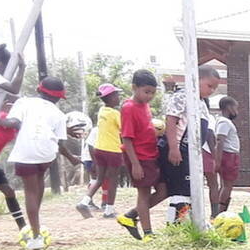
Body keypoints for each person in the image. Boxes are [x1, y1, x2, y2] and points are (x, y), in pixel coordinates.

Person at [3, 77, 83, 250]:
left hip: (27, 152)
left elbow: (13, 123)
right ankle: (36, 224)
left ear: (38, 90)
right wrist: (71, 158)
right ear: (58, 98)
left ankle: (36, 236)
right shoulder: (59, 114)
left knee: (31, 192)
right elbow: (60, 143)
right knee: (38, 186)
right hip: (47, 154)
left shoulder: (24, 103)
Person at [160, 65, 221, 224]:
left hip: (192, 154)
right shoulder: (182, 96)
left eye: (214, 88)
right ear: (196, 79)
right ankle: (176, 226)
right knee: (181, 190)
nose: (212, 90)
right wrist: (174, 148)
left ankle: (187, 224)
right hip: (180, 150)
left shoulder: (201, 102)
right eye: (209, 86)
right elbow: (171, 120)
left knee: (189, 190)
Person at [115, 70, 161, 240]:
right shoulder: (128, 108)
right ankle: (148, 232)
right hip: (139, 157)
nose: (150, 96)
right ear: (134, 87)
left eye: (153, 93)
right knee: (144, 194)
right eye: (146, 92)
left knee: (163, 190)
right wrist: (135, 164)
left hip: (151, 154)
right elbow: (126, 138)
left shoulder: (145, 105)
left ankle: (130, 216)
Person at [80, 84, 124, 219]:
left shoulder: (102, 111)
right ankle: (109, 210)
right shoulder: (115, 114)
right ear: (110, 97)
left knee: (99, 178)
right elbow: (124, 129)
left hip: (99, 149)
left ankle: (84, 202)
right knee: (113, 180)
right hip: (113, 150)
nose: (118, 98)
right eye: (116, 95)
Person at [0, 100, 24, 233]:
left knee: (7, 193)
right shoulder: (4, 117)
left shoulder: (15, 121)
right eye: (10, 104)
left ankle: (23, 227)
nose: (12, 106)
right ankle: (23, 226)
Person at [213, 96, 241, 216]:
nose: (237, 111)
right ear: (229, 107)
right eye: (236, 108)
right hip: (228, 156)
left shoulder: (224, 122)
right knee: (227, 186)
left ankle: (219, 211)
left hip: (229, 155)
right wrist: (218, 161)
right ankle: (220, 213)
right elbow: (220, 140)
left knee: (225, 185)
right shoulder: (224, 122)